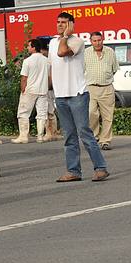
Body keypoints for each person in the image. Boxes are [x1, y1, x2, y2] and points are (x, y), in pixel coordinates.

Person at [50, 12, 108, 183]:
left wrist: (66, 36)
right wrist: (49, 90)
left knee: (84, 132)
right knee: (68, 135)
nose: (60, 25)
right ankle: (73, 170)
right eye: (58, 22)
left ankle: (100, 168)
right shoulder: (53, 42)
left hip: (77, 93)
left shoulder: (76, 41)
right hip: (60, 95)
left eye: (64, 22)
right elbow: (52, 67)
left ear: (71, 25)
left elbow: (62, 53)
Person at [84, 32, 120, 150]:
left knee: (107, 116)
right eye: (94, 41)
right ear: (91, 41)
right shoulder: (86, 53)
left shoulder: (110, 52)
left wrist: (106, 77)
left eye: (99, 40)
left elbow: (114, 69)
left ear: (102, 40)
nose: (97, 43)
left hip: (107, 87)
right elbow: (81, 70)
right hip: (91, 88)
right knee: (91, 113)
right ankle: (94, 137)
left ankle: (105, 141)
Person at [13, 38, 52, 143]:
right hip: (43, 90)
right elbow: (49, 77)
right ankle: (40, 136)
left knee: (23, 113)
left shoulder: (27, 61)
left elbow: (24, 78)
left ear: (34, 48)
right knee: (42, 114)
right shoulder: (46, 60)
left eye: (29, 46)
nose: (27, 48)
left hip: (30, 90)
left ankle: (23, 136)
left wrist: (22, 89)